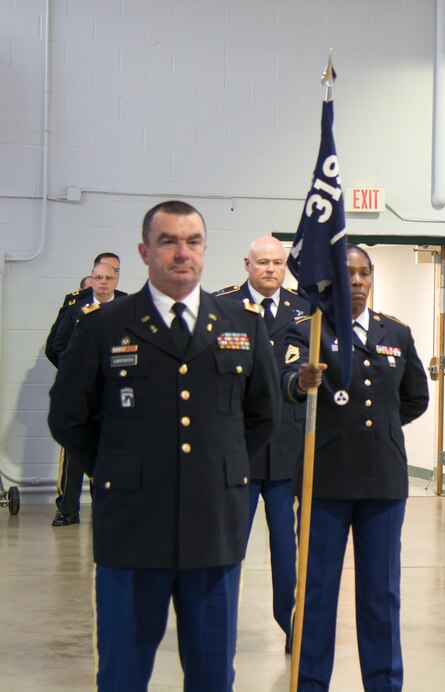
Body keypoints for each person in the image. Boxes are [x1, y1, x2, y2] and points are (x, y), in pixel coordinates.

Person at [48, 200, 280, 691]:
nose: (182, 253)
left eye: (192, 241)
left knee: (213, 674)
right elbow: (69, 417)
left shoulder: (243, 325)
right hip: (131, 530)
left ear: (205, 249)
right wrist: (114, 471)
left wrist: (222, 469)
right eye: (168, 241)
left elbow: (264, 416)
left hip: (213, 531)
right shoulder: (103, 327)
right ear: (144, 251)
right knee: (122, 674)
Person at [284, 245, 428, 691]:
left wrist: (380, 430)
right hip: (324, 481)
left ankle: (384, 684)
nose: (359, 281)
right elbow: (285, 384)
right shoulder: (306, 332)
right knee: (317, 593)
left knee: (381, 595)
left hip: (382, 482)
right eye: (349, 274)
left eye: (365, 273)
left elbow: (415, 397)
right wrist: (302, 381)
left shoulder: (396, 333)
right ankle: (310, 683)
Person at [215, 235, 309, 652]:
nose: (271, 269)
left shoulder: (304, 312)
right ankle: (218, 622)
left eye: (278, 262)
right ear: (247, 263)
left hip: (287, 449)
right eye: (263, 262)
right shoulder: (221, 307)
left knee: (287, 548)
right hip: (237, 449)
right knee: (226, 542)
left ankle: (291, 622)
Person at [48, 260, 122, 526]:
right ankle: (68, 509)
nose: (102, 282)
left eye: (107, 278)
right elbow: (56, 346)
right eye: (97, 277)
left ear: (116, 280)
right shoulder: (75, 307)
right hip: (82, 393)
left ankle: (110, 506)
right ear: (91, 279)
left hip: (116, 392)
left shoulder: (128, 306)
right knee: (75, 451)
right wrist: (74, 376)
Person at [45, 252, 124, 367]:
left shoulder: (127, 303)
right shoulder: (76, 304)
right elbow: (56, 346)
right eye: (100, 275)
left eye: (115, 270)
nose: (104, 279)